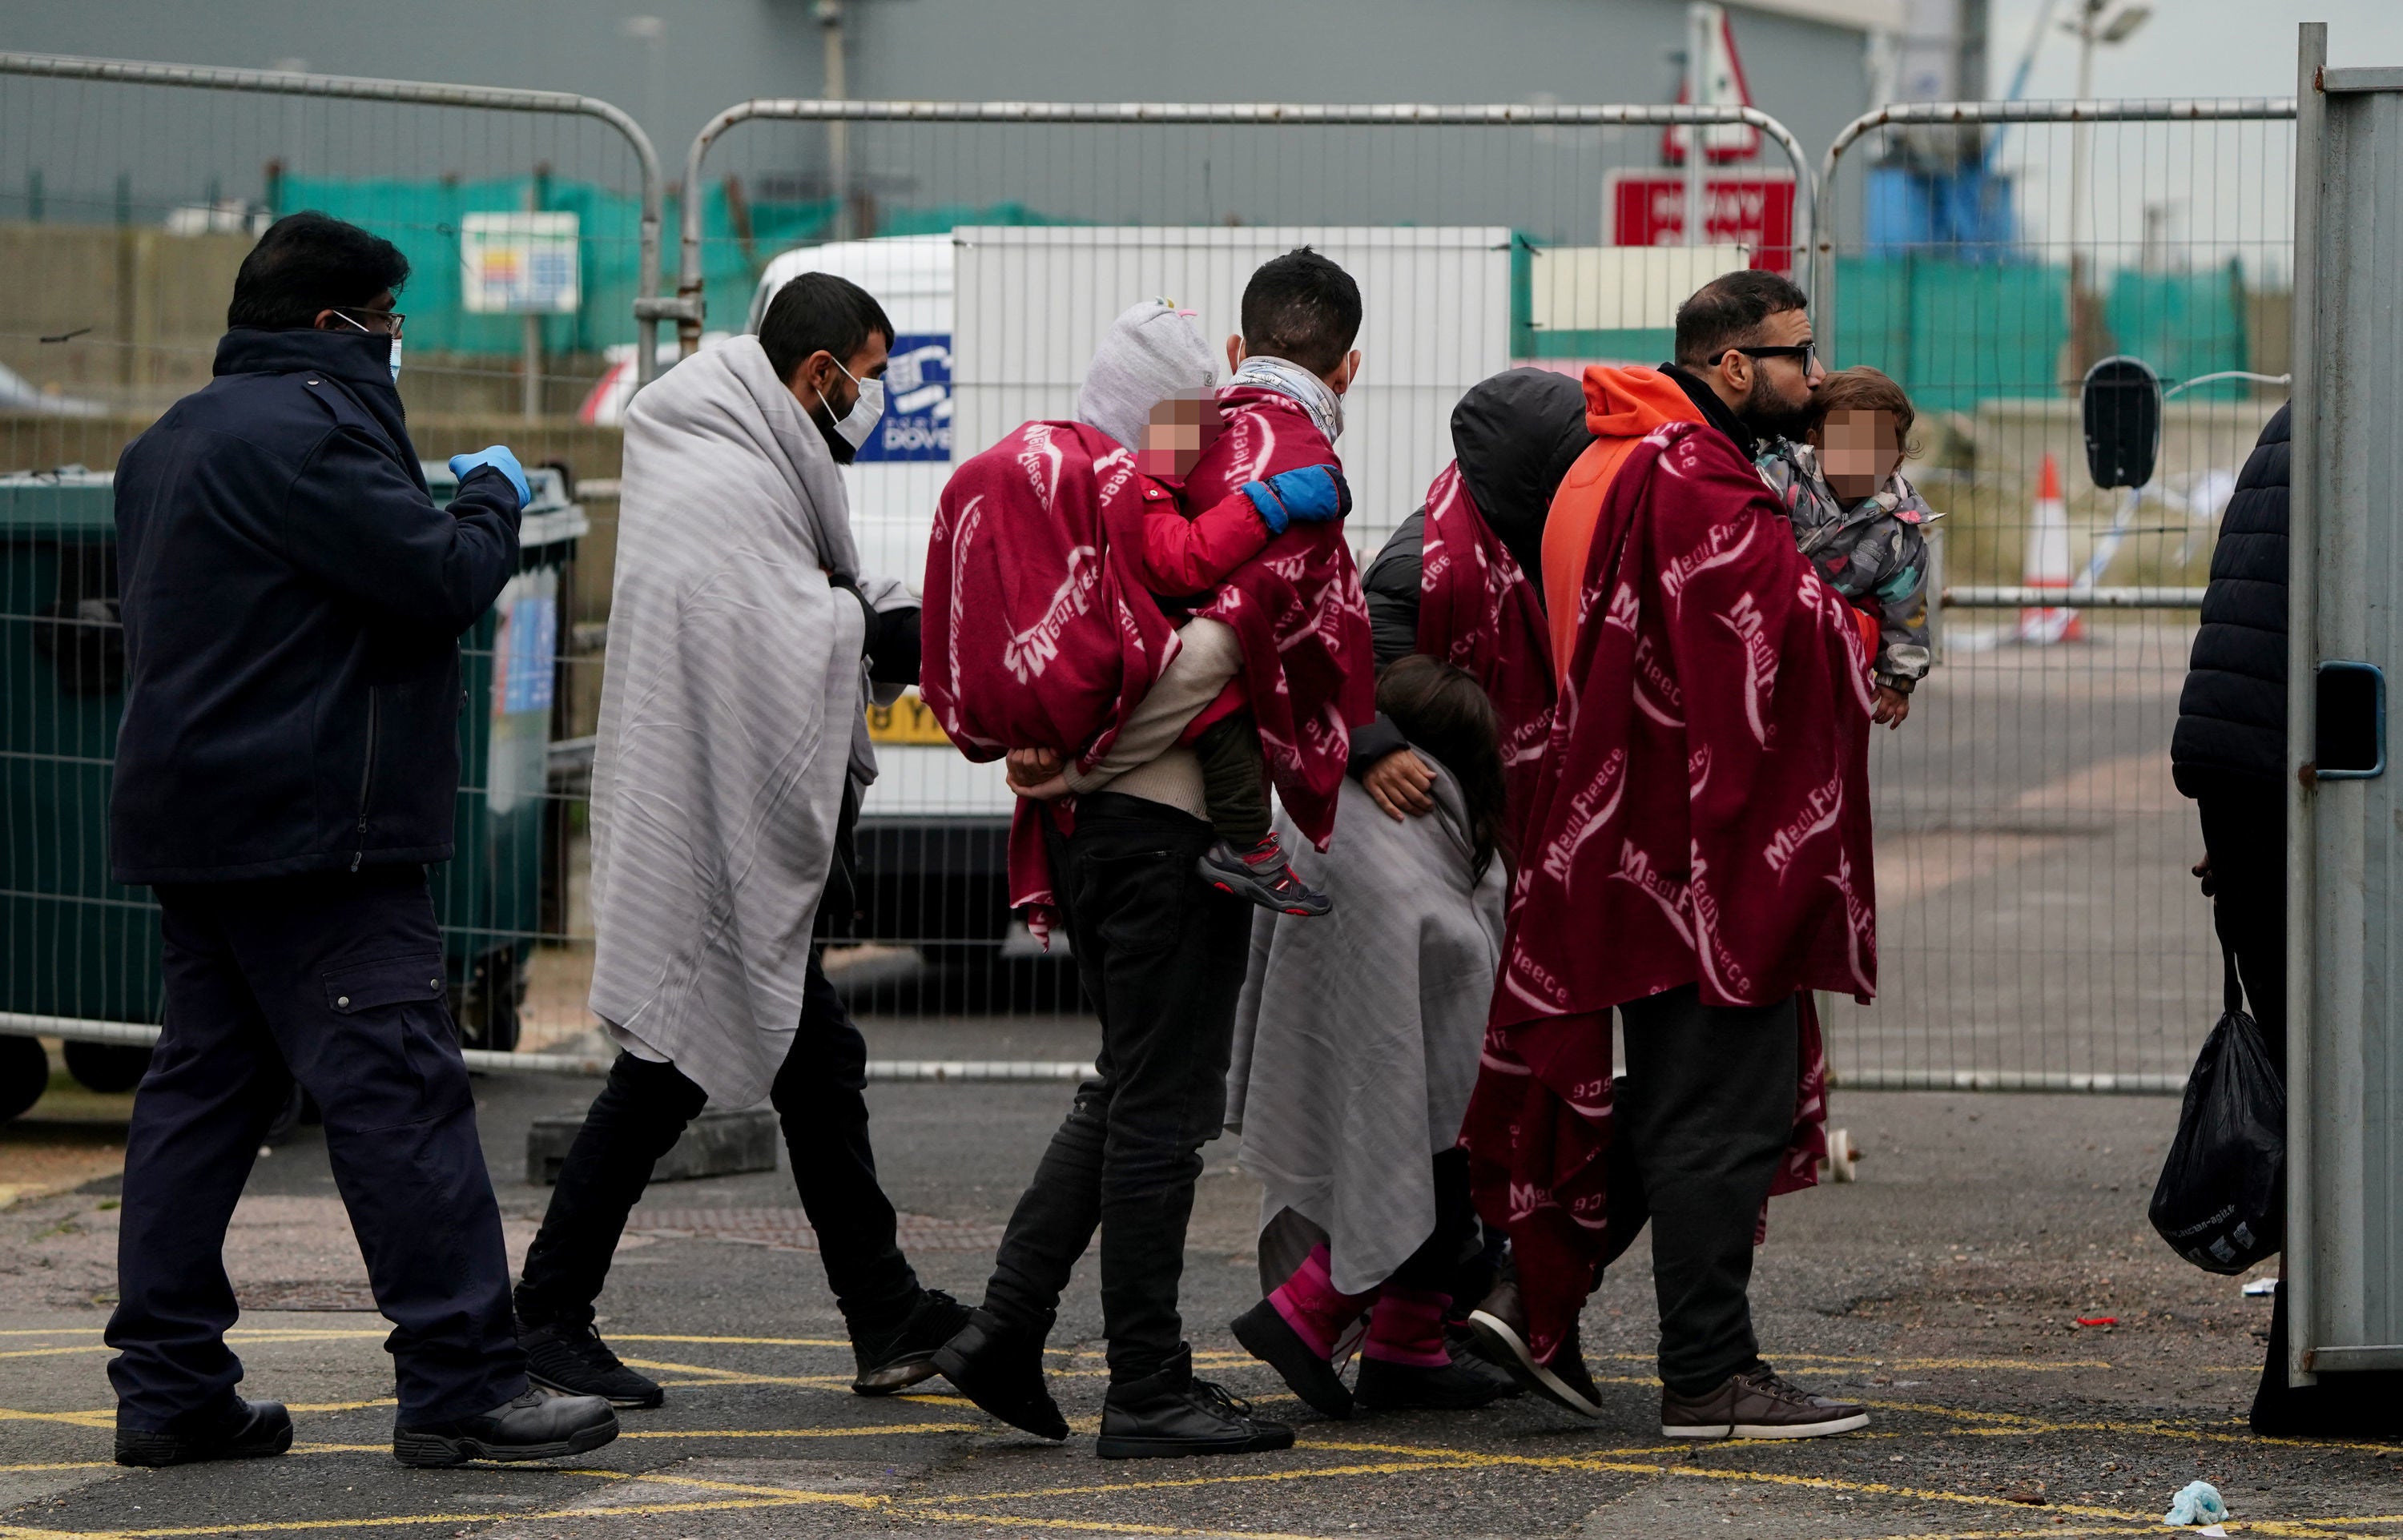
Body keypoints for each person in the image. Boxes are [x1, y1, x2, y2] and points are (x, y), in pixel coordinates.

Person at [103, 211, 618, 1470]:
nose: (398, 343)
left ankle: (167, 1383)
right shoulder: (315, 436)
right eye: (390, 321)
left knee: (202, 1100)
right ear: (337, 324)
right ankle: (461, 1379)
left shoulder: (165, 443)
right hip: (318, 832)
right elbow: (438, 577)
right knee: (400, 1091)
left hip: (196, 822)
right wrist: (494, 498)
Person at [922, 284, 1373, 1460]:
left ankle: (1007, 1330)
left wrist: (1068, 768)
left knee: (1125, 1089)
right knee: (1160, 1117)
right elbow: (1208, 650)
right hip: (1159, 834)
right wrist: (1083, 761)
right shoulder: (1156, 492)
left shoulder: (1086, 490)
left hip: (1097, 841)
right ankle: (1147, 1382)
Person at [510, 273, 968, 1410]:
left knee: (810, 1068)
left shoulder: (748, 446)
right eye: (865, 378)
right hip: (707, 835)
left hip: (719, 825)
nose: (870, 399)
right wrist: (888, 626)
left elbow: (808, 599)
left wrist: (874, 613)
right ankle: (543, 1315)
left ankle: (883, 1309)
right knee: (668, 1068)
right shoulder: (723, 467)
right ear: (817, 375)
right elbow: (778, 626)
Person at [1456, 268, 1878, 1440]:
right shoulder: (1700, 482)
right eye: (1797, 352)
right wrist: (1861, 633)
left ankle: (1548, 1301)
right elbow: (1774, 664)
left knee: (1683, 1109)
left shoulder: (1640, 458)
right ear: (1732, 365)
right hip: (1708, 870)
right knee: (1718, 1116)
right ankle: (1708, 1374)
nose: (1816, 372)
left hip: (1647, 853)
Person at [2172, 402, 2403, 1435]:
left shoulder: (2310, 412)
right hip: (2303, 778)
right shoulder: (2373, 411)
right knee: (2351, 1093)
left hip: (2258, 776)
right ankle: (2331, 1383)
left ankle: (2309, 1377)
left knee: (2324, 1085)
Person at [1225, 656, 1524, 1418]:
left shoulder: (1325, 794)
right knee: (1431, 1148)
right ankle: (1306, 1309)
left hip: (1332, 1026)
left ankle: (1407, 1344)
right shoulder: (1406, 811)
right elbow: (1458, 949)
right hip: (1389, 1043)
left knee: (1419, 1147)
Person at [1351, 367, 1589, 828]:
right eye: (1574, 468)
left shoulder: (1539, 541)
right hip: (1434, 818)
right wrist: (1374, 747)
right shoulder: (1421, 569)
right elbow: (1351, 678)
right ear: (1528, 471)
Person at [1754, 365, 1935, 729]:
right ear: (1814, 441)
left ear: (1897, 460)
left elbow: (1906, 607)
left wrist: (1898, 679)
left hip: (1829, 648)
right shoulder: (1778, 476)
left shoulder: (1899, 528)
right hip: (1766, 626)